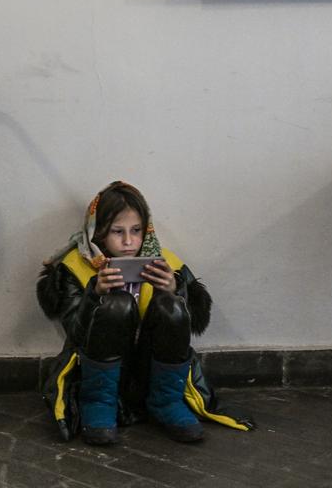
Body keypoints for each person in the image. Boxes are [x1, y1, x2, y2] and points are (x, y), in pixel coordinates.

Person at [37, 182, 253, 446]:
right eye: (117, 231)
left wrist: (174, 290)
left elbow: (195, 322)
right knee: (118, 304)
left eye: (136, 230)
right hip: (95, 370)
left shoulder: (165, 263)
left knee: (171, 306)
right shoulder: (73, 267)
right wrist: (95, 295)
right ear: (98, 231)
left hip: (150, 367)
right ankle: (99, 404)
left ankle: (166, 402)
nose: (128, 241)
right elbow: (75, 334)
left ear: (146, 229)